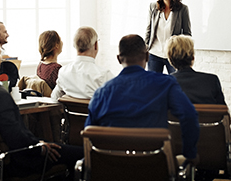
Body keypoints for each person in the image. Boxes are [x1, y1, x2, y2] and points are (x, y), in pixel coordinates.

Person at [0, 37, 83, 180]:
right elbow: (17, 139)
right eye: (0, 53)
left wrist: (37, 142)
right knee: (83, 155)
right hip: (18, 159)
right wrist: (40, 147)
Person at [85, 34, 199, 162]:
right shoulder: (165, 84)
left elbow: (89, 133)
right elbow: (189, 115)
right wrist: (190, 153)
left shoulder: (101, 93)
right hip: (154, 167)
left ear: (118, 59)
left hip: (112, 168)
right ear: (147, 56)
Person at [51, 26, 114, 102]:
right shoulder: (104, 75)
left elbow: (54, 98)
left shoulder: (63, 72)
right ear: (96, 45)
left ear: (74, 45)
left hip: (70, 113)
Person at [145, 0, 191, 74]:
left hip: (174, 54)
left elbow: (187, 34)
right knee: (154, 84)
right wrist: (145, 47)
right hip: (154, 53)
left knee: (176, 83)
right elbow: (149, 29)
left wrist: (185, 53)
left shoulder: (182, 9)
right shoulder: (153, 7)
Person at [166, 35, 226, 105]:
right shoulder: (212, 81)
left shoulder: (164, 85)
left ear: (170, 60)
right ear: (192, 57)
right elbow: (223, 113)